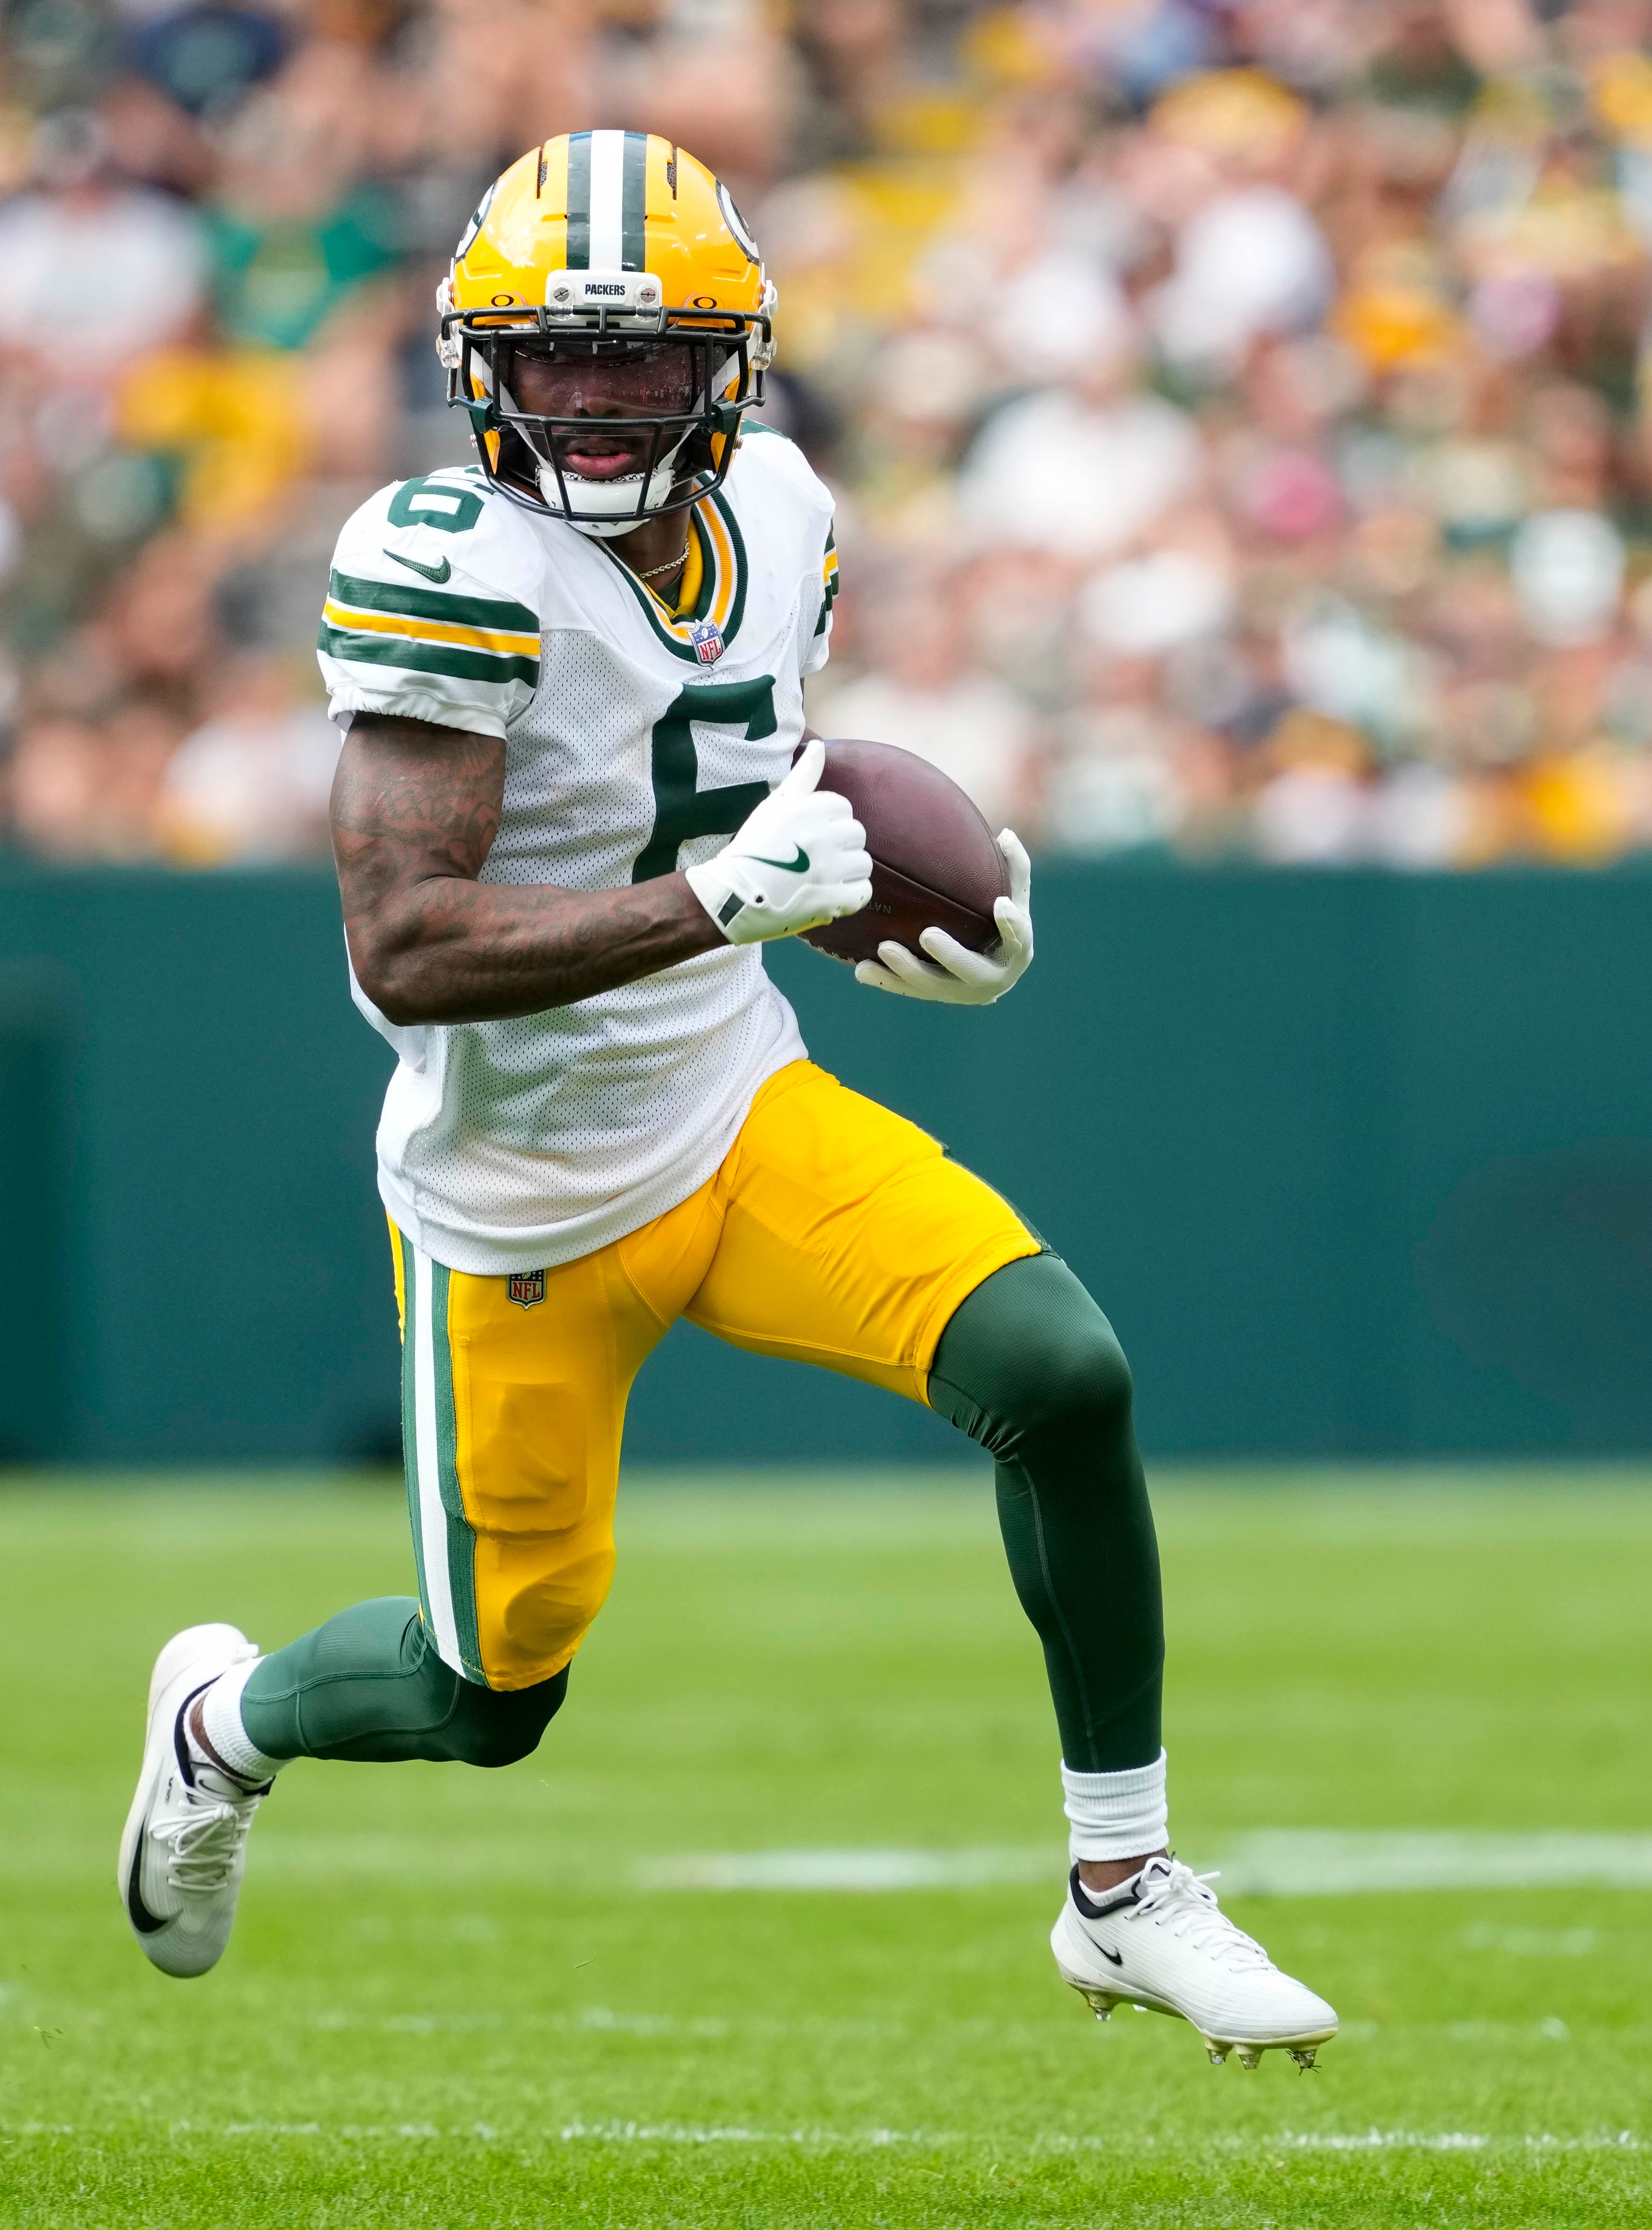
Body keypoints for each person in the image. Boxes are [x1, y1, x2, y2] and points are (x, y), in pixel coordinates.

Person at [115, 131, 1336, 2066]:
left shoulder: (780, 507)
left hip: (733, 1099)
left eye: (644, 355)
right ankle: (221, 1726)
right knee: (491, 1686)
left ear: (731, 363)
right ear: (483, 367)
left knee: (1062, 1370)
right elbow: (404, 947)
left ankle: (1127, 1892)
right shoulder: (445, 566)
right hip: (519, 1193)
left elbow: (755, 773)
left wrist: (940, 909)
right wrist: (719, 902)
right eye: (560, 358)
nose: (599, 402)